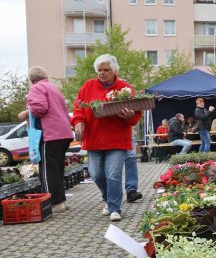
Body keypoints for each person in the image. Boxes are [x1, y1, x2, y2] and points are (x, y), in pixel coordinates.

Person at [72, 54, 142, 222]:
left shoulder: (124, 87)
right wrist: (78, 122)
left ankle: (115, 208)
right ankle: (108, 199)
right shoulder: (88, 86)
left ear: (114, 70)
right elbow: (78, 108)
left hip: (117, 141)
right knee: (96, 174)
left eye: (106, 70)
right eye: (99, 70)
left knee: (113, 175)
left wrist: (129, 116)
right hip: (94, 140)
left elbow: (135, 115)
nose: (102, 73)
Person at [22, 66, 74, 212]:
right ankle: (61, 201)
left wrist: (26, 112)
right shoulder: (54, 88)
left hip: (49, 134)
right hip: (63, 133)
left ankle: (54, 203)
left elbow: (40, 108)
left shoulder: (36, 88)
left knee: (47, 169)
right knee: (57, 168)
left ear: (32, 79)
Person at [124, 125, 142, 203]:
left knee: (131, 158)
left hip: (127, 129)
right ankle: (107, 192)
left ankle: (131, 191)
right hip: (109, 132)